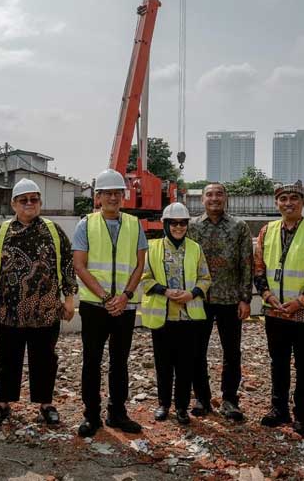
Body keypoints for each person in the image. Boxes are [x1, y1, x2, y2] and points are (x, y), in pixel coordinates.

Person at [0, 178, 77, 427]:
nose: (29, 204)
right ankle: (3, 403)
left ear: (40, 202)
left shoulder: (54, 232)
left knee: (45, 358)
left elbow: (67, 266)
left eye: (34, 199)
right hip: (8, 311)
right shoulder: (0, 233)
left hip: (46, 311)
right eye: (24, 200)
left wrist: (70, 298)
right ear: (14, 204)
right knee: (7, 358)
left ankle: (45, 404)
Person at [254, 182, 304, 436]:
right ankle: (279, 410)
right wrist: (266, 294)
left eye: (294, 198)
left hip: (303, 312)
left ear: (303, 202)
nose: (288, 203)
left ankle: (302, 415)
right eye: (283, 198)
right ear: (276, 203)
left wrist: (300, 301)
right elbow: (258, 268)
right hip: (274, 310)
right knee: (278, 362)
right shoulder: (267, 231)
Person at [72, 169, 147, 437]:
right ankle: (91, 415)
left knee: (120, 362)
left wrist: (125, 296)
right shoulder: (86, 224)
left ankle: (117, 413)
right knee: (91, 361)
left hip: (124, 307)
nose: (113, 197)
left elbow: (140, 264)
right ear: (98, 197)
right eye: (108, 193)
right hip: (95, 306)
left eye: (118, 193)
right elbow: (79, 266)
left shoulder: (133, 224)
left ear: (123, 196)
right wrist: (106, 298)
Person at [188, 183, 253, 421]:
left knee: (232, 353)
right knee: (196, 351)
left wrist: (245, 299)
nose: (214, 198)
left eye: (219, 194)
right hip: (199, 299)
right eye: (209, 194)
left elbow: (247, 263)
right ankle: (201, 398)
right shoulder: (192, 227)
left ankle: (229, 400)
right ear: (202, 199)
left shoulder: (239, 227)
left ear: (226, 198)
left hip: (230, 299)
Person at [141, 203, 211, 425]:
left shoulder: (195, 249)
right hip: (162, 317)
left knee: (185, 366)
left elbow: (205, 278)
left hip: (188, 318)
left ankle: (181, 407)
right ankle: (164, 404)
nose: (179, 227)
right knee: (163, 364)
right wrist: (165, 291)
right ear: (165, 224)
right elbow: (144, 277)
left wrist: (192, 294)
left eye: (183, 223)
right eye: (174, 223)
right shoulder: (151, 248)